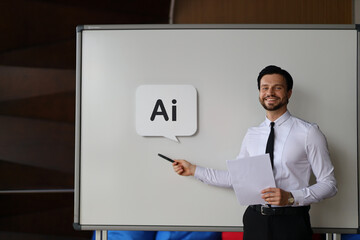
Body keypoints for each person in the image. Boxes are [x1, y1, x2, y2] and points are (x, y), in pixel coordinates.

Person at [172, 65, 337, 240]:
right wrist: (193, 170)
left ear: (289, 93)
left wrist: (291, 197)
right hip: (255, 221)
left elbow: (329, 184)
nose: (270, 92)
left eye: (277, 87)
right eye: (265, 88)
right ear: (259, 93)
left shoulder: (309, 133)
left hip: (292, 222)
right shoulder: (252, 134)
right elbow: (237, 178)